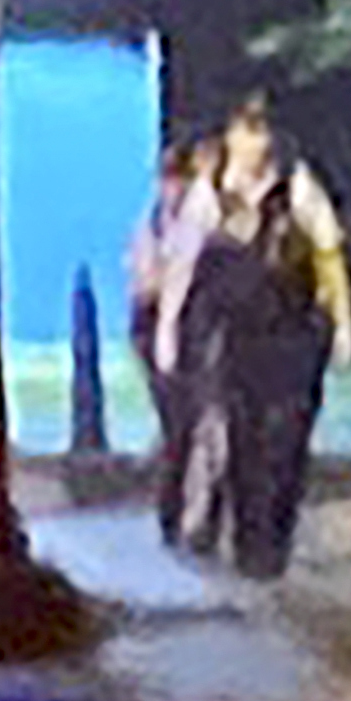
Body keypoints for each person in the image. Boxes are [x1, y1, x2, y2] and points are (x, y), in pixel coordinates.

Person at [173, 94, 351, 581]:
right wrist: (170, 327)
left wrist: (343, 323)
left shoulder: (297, 187)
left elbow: (328, 252)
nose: (257, 143)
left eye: (262, 132)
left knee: (286, 439)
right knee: (238, 435)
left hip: (290, 331)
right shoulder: (209, 192)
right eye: (247, 131)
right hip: (230, 334)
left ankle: (273, 538)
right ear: (231, 136)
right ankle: (249, 537)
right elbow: (183, 263)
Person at [127, 143, 212, 550]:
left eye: (181, 181)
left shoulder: (192, 223)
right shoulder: (154, 225)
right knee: (178, 425)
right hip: (154, 324)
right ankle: (172, 515)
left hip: (187, 326)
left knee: (191, 425)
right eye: (170, 181)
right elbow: (144, 281)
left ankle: (182, 515)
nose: (174, 189)